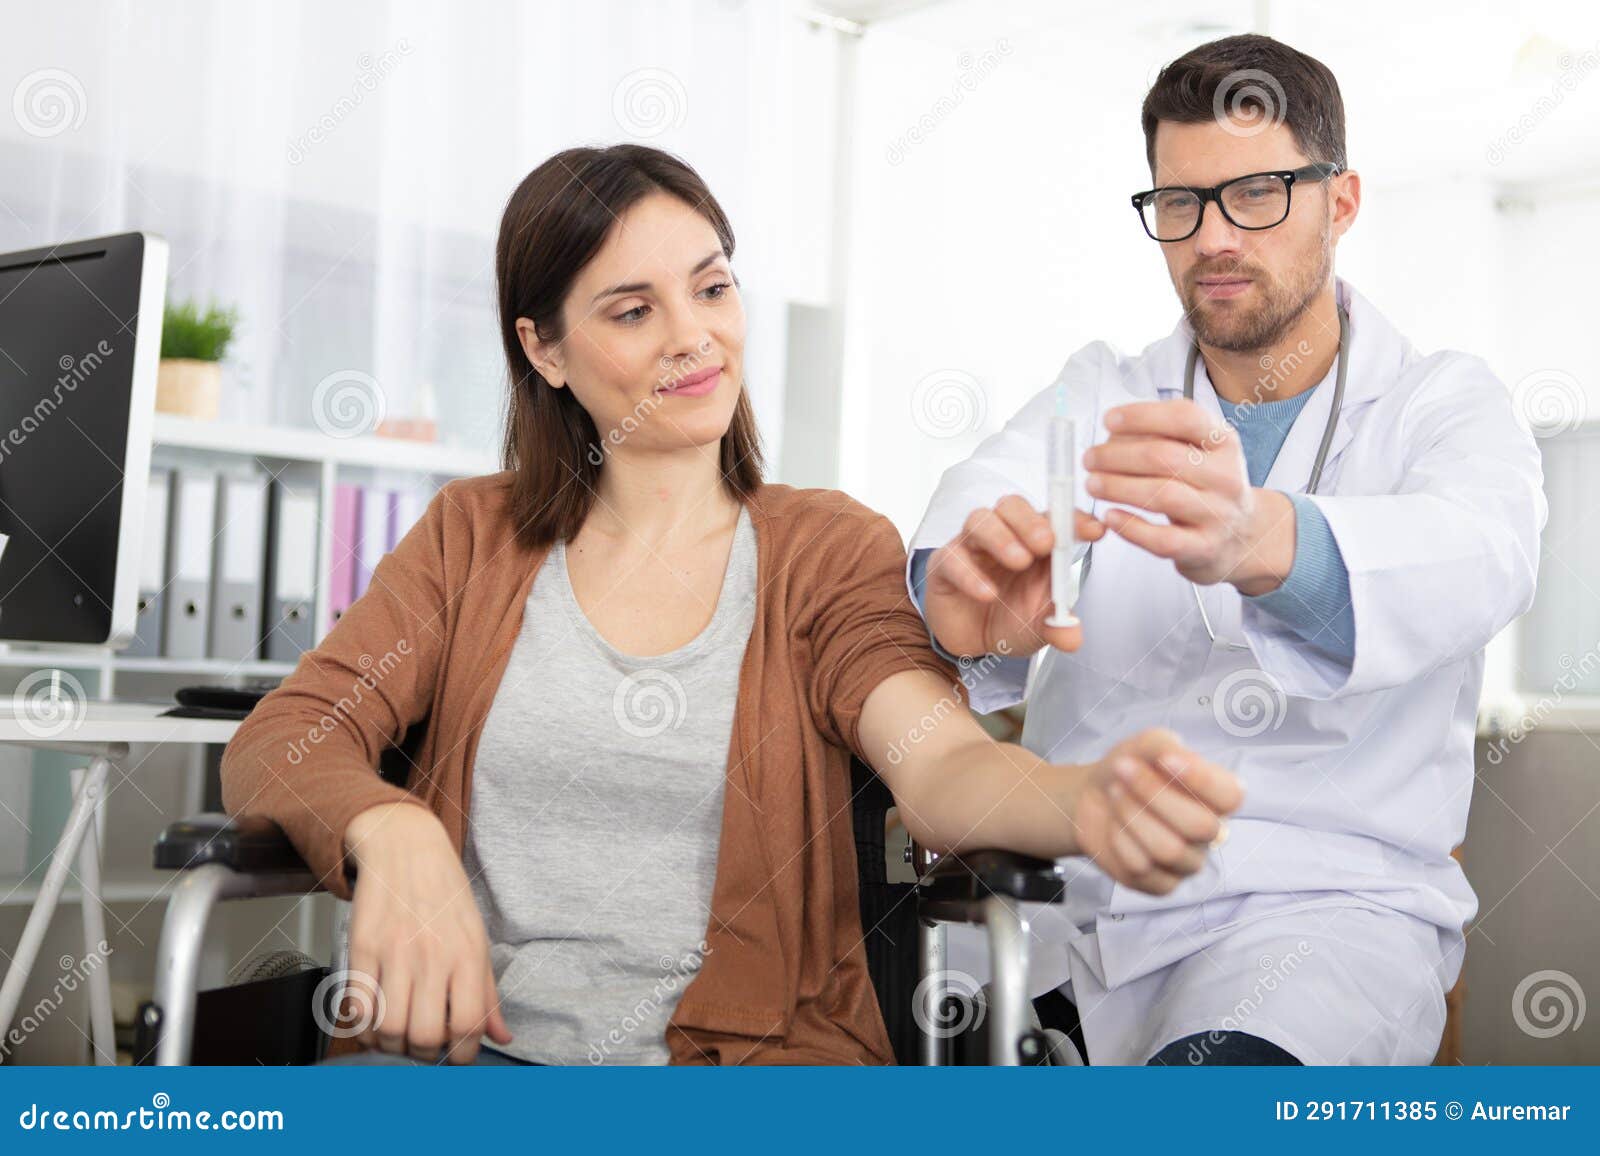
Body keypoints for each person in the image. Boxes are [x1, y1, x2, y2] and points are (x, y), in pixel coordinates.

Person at [221, 144, 1243, 1066]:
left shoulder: (825, 548)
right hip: (455, 1066)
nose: (693, 337)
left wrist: (1083, 800)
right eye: (632, 310)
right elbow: (285, 741)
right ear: (544, 349)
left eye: (712, 287)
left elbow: (939, 764)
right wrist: (392, 828)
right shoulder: (468, 538)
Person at [908, 34, 1546, 1066]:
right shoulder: (1104, 387)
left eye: (1254, 193)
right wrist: (962, 598)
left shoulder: (1440, 401)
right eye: (1179, 203)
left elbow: (1482, 553)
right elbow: (970, 510)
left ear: (1338, 202)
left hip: (1319, 917)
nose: (1211, 237)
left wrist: (1264, 539)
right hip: (1068, 900)